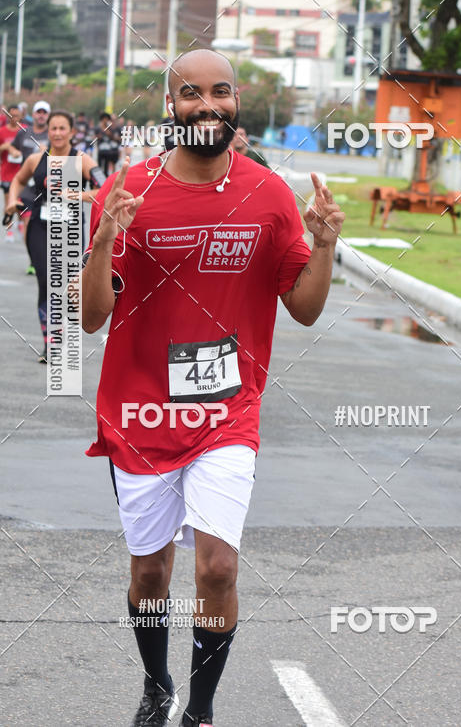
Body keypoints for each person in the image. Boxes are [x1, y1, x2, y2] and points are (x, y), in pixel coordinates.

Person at [81, 48, 345, 727]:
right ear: (170, 105)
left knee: (218, 568)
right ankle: (156, 683)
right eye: (190, 93)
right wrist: (105, 238)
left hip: (228, 411)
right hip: (139, 412)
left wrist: (322, 247)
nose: (207, 104)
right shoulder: (130, 193)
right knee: (150, 574)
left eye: (220, 91)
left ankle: (199, 710)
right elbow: (89, 318)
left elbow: (306, 307)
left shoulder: (266, 193)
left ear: (236, 102)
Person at [6, 110, 105, 362]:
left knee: (69, 287)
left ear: (72, 132)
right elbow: (17, 181)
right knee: (45, 281)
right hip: (40, 227)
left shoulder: (82, 160)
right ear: (47, 131)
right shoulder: (36, 159)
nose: (58, 133)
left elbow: (104, 188)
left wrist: (76, 196)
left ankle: (63, 334)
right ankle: (50, 344)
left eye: (63, 128)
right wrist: (10, 201)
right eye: (54, 128)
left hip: (70, 230)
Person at [9, 100, 50, 274]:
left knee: (46, 227)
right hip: (27, 187)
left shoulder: (53, 135)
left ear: (48, 116)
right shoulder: (23, 133)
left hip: (48, 188)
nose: (41, 115)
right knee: (28, 224)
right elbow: (12, 148)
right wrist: (14, 152)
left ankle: (46, 259)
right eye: (38, 112)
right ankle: (33, 260)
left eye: (44, 112)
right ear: (32, 114)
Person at [0, 104, 24, 241]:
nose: (14, 118)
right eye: (11, 115)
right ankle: (9, 229)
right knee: (9, 202)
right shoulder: (1, 132)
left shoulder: (26, 131)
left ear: (21, 116)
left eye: (16, 115)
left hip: (23, 174)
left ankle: (21, 224)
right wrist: (3, 147)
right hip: (7, 173)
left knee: (21, 201)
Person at [96, 111, 121, 176]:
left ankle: (109, 178)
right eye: (104, 119)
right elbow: (95, 137)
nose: (105, 120)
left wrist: (109, 134)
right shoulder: (98, 128)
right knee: (99, 166)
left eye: (107, 119)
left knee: (106, 169)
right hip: (101, 150)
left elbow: (114, 137)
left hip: (108, 151)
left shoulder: (110, 128)